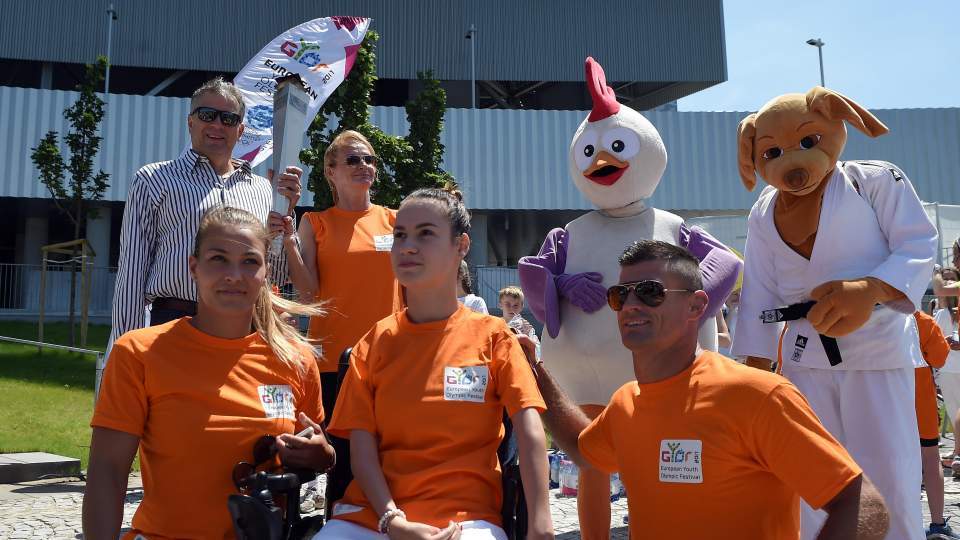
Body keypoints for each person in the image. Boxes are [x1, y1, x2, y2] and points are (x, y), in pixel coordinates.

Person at [527, 240, 889, 539]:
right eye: (620, 296)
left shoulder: (756, 395)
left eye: (650, 292)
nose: (631, 305)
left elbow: (863, 503)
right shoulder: (627, 403)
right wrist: (534, 370)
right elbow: (584, 451)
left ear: (696, 305)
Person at [83, 206, 335, 539]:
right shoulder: (140, 352)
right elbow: (108, 470)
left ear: (266, 272)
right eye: (218, 259)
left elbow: (319, 449)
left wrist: (322, 455)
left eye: (250, 261)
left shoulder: (295, 359)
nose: (234, 275)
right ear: (194, 267)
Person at [315, 188, 553, 540]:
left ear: (461, 245)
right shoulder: (374, 342)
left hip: (466, 520)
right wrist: (393, 521)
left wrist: (541, 524)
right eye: (400, 235)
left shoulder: (494, 337)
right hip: (372, 517)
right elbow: (360, 454)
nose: (408, 246)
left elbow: (531, 433)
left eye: (425, 233)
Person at [111, 77, 303, 348]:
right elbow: (132, 271)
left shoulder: (262, 189)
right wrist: (125, 349)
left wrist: (286, 214)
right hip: (174, 324)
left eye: (228, 118)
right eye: (207, 115)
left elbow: (276, 275)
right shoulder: (153, 180)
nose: (217, 125)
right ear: (191, 121)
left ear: (240, 129)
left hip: (244, 328)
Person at [285, 130, 402, 420]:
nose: (364, 165)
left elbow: (412, 291)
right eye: (353, 160)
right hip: (333, 360)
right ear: (331, 172)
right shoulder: (315, 222)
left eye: (369, 159)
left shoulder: (396, 220)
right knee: (336, 445)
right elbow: (307, 295)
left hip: (390, 356)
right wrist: (289, 241)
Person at [912, 311, 958, 538]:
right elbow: (940, 358)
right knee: (931, 458)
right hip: (920, 400)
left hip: (883, 401)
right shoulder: (922, 320)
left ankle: (900, 521)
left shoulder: (864, 317)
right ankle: (937, 523)